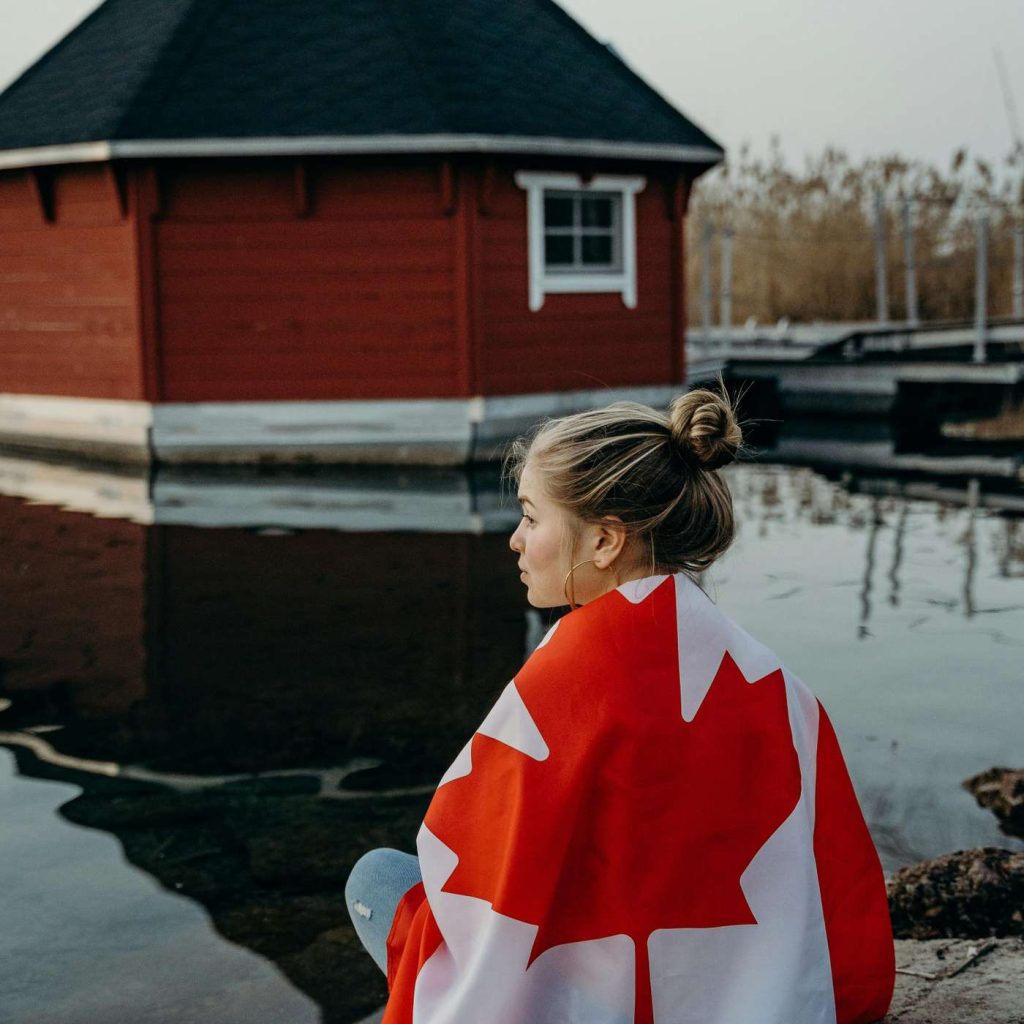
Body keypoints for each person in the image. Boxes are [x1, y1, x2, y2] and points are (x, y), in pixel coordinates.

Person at [346, 378, 895, 1024]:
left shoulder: (557, 689)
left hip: (597, 993)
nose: (515, 541)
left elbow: (469, 865)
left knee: (376, 878)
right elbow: (835, 884)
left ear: (605, 541)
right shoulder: (776, 687)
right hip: (742, 988)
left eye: (530, 516)